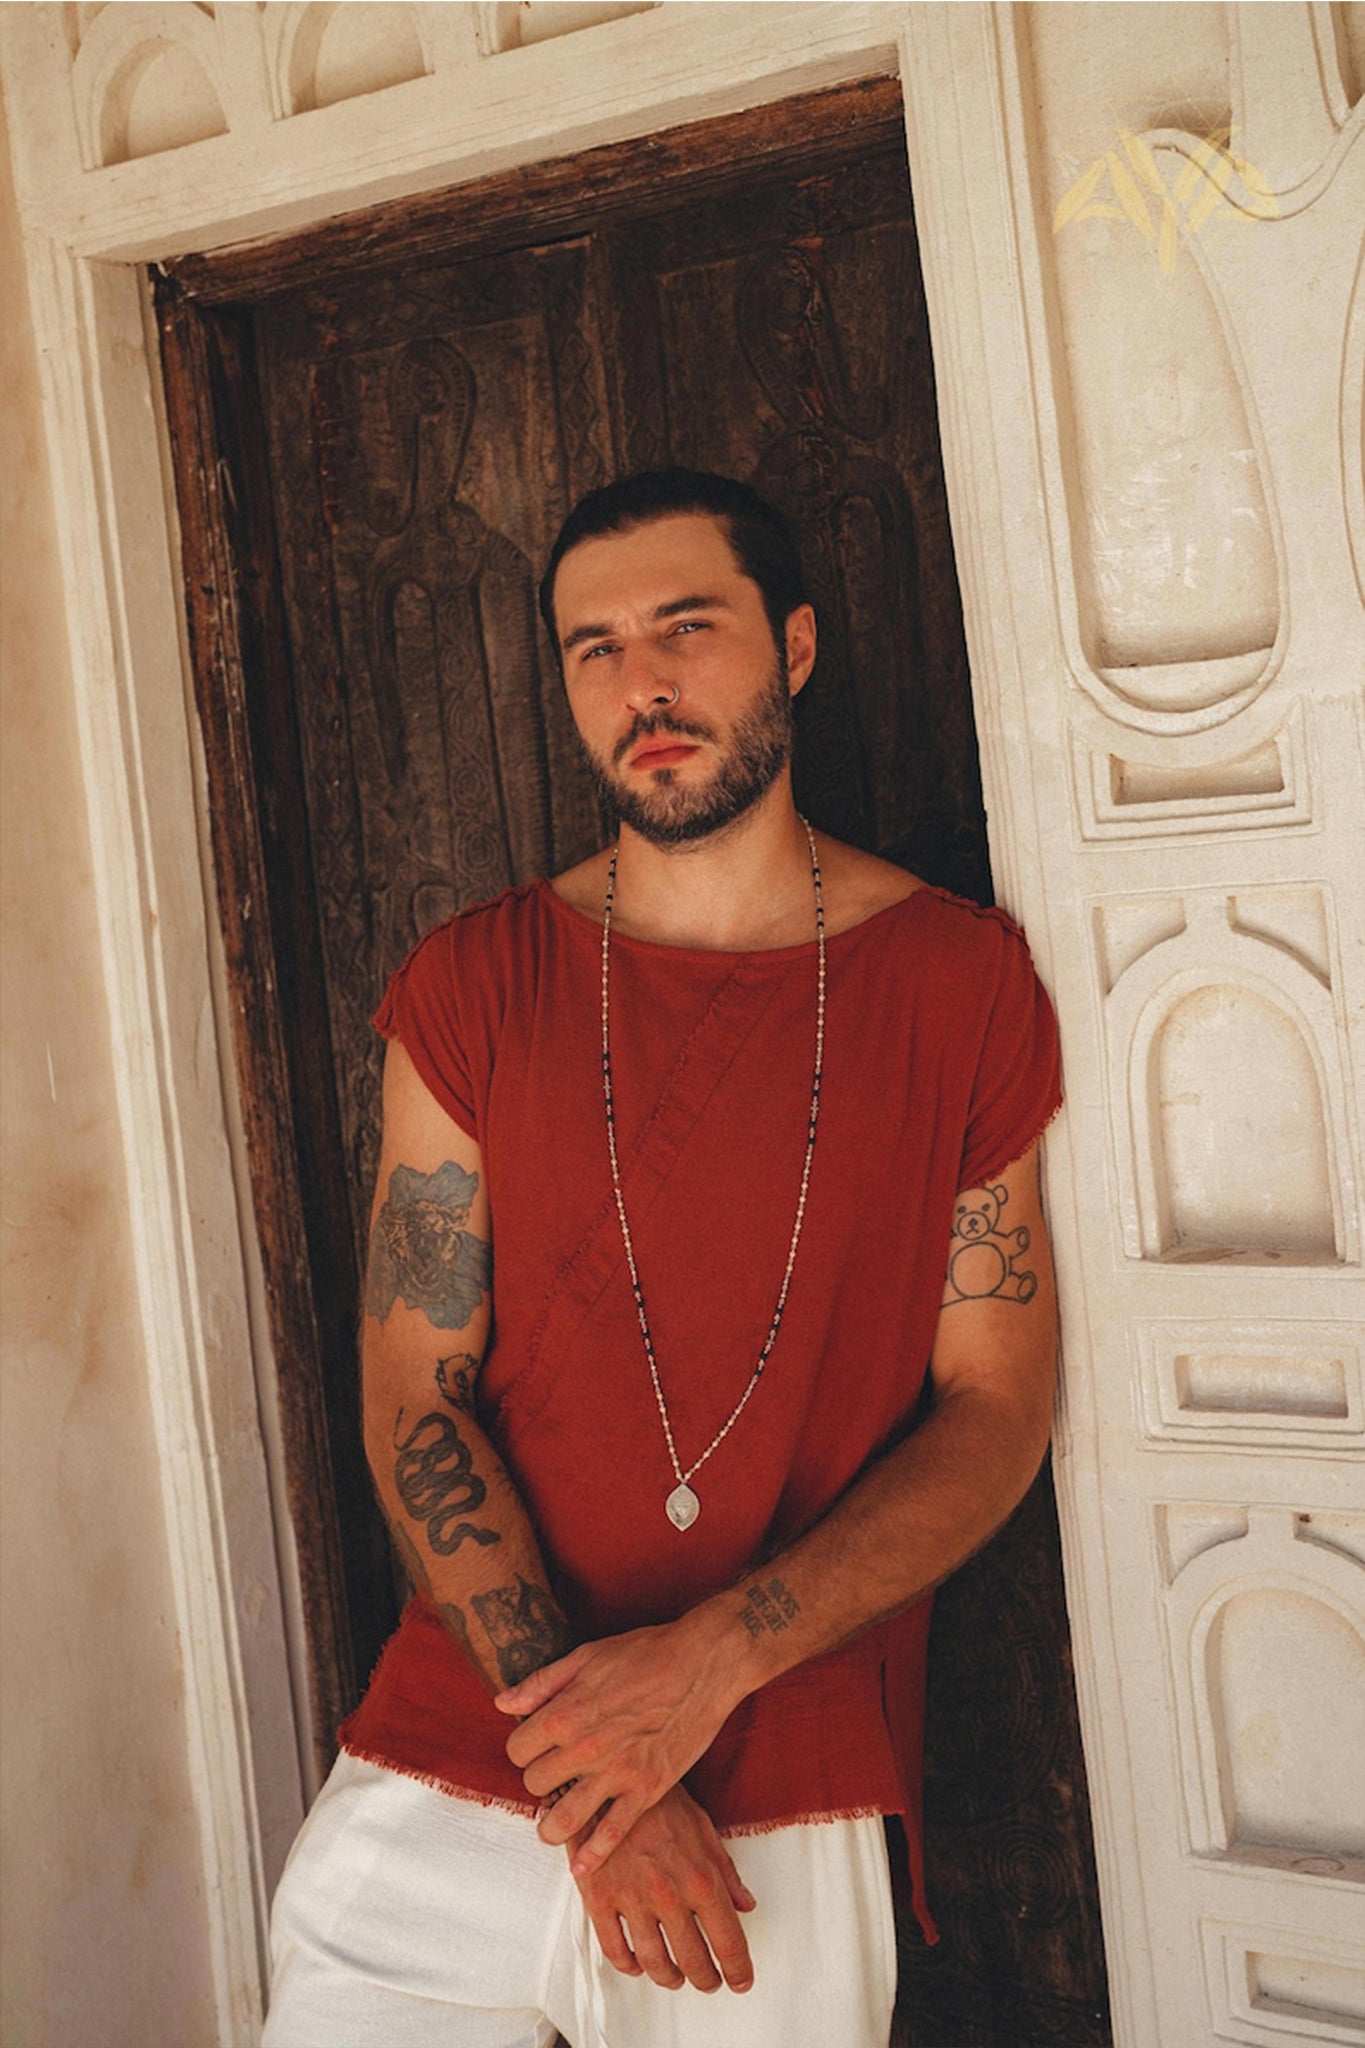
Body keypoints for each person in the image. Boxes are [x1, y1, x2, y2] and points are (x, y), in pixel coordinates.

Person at [263, 469, 1062, 2048]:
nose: (642, 684)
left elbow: (995, 1409)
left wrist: (700, 1674)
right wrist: (605, 1781)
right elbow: (413, 1400)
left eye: (686, 629)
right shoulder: (473, 985)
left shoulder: (955, 985)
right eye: (593, 649)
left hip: (777, 1806)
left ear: (798, 645)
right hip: (451, 1767)